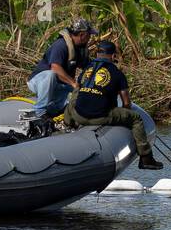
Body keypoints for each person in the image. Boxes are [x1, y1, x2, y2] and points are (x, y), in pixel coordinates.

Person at [63, 40, 163, 170]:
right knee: (136, 119)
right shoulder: (117, 73)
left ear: (97, 53)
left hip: (78, 115)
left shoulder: (86, 69)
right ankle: (146, 158)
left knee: (75, 95)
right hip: (99, 116)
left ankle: (67, 127)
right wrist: (122, 116)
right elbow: (126, 103)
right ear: (113, 56)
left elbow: (79, 91)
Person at [28, 18, 94, 120]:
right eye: (89, 35)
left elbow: (88, 66)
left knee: (82, 92)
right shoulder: (60, 45)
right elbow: (55, 68)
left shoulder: (79, 49)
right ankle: (39, 111)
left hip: (60, 84)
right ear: (82, 35)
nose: (90, 38)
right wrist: (73, 83)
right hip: (39, 80)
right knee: (51, 75)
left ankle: (54, 111)